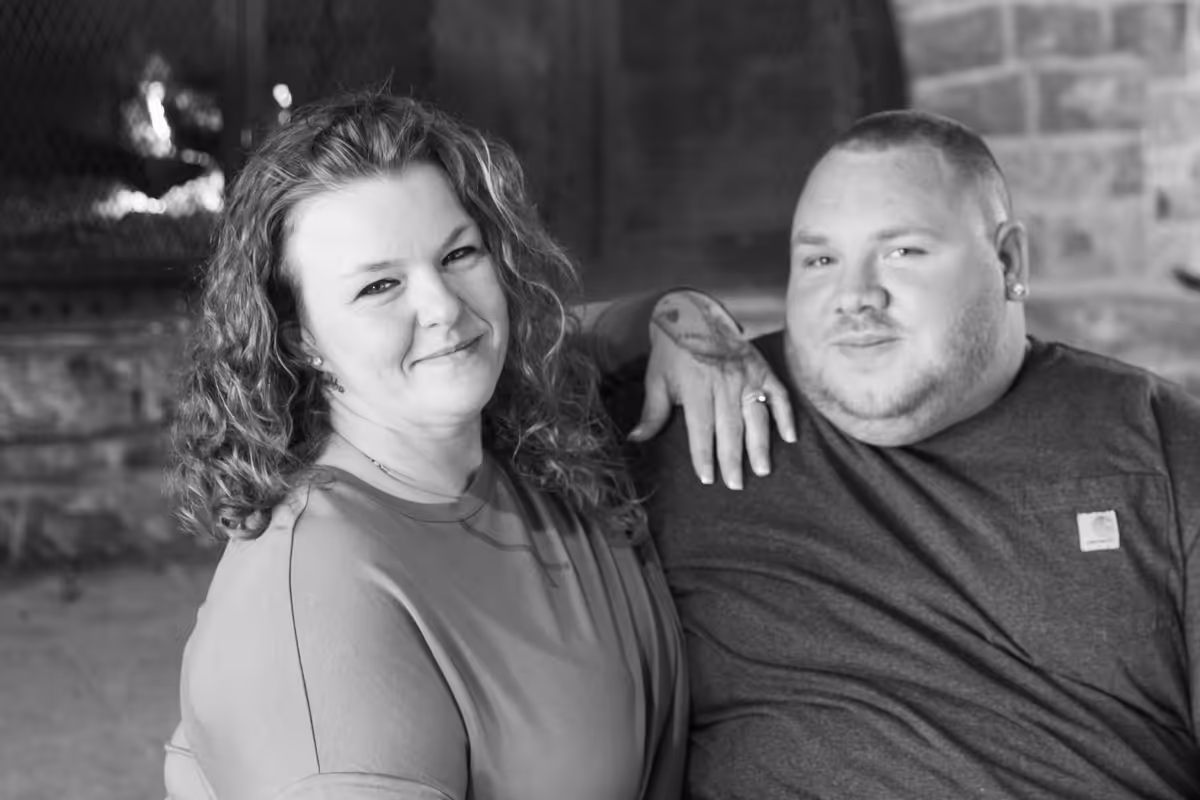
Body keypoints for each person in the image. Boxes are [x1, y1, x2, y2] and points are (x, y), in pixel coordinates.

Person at [161, 88, 788, 800]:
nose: (444, 307)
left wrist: (683, 318)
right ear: (300, 338)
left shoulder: (509, 417)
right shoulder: (320, 606)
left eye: (459, 254)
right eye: (379, 286)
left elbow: (601, 330)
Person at [616, 110, 1200, 799]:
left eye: (903, 252)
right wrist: (663, 311)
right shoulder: (690, 424)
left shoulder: (1161, 445)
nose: (855, 296)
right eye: (820, 260)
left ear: (1009, 262)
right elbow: (504, 346)